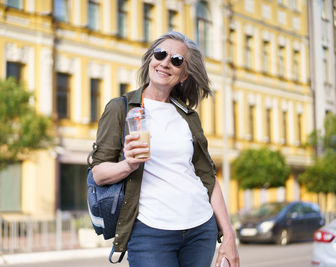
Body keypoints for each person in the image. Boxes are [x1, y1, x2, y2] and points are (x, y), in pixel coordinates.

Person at [90, 31, 239, 267]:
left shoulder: (188, 116)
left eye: (176, 60)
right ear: (150, 60)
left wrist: (228, 235)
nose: (166, 63)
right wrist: (128, 164)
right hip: (150, 232)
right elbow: (98, 173)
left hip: (200, 229)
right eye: (160, 55)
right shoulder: (121, 108)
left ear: (184, 75)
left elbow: (208, 178)